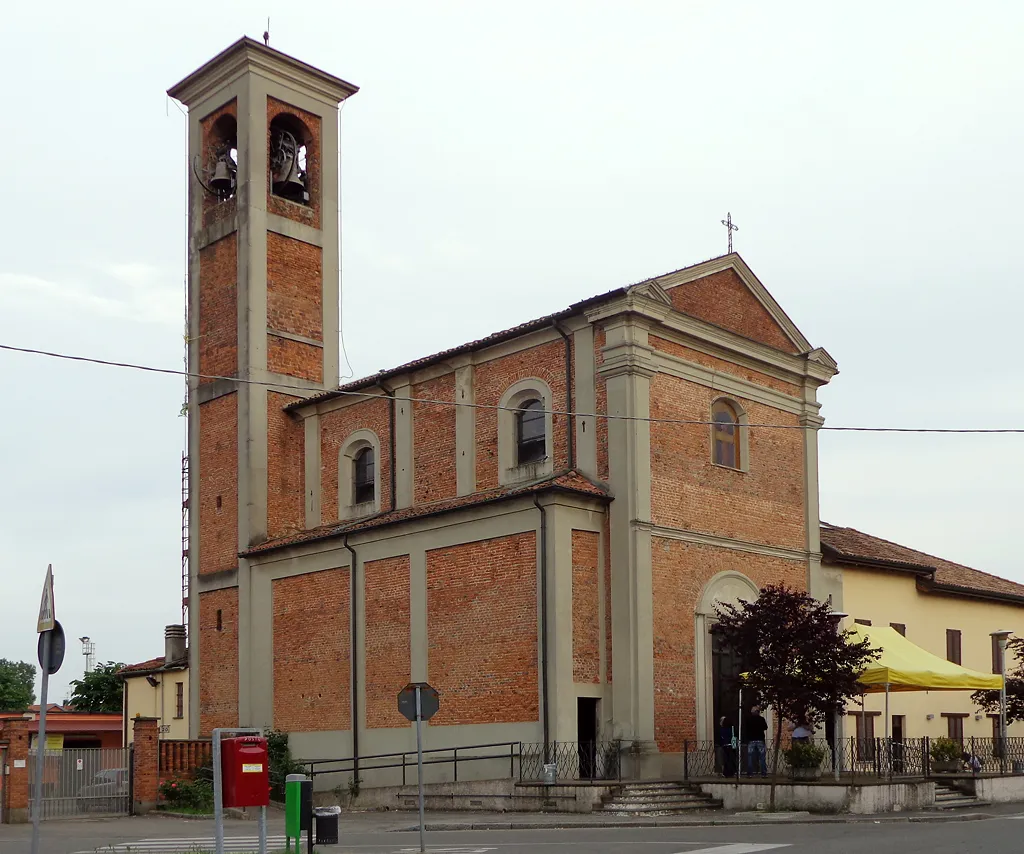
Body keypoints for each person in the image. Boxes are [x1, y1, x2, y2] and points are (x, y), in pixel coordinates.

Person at [745, 706, 769, 777]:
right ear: (758, 712)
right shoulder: (761, 719)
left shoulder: (748, 719)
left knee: (750, 757)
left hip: (751, 740)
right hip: (760, 739)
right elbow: (765, 727)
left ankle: (750, 773)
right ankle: (763, 773)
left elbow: (746, 729)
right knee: (762, 757)